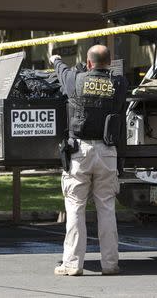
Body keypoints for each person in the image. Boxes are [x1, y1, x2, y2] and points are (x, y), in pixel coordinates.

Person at [49, 45, 127, 276]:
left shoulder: (76, 79)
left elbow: (62, 71)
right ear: (110, 62)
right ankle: (110, 264)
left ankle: (72, 264)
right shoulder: (119, 83)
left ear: (89, 63)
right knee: (106, 209)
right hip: (107, 153)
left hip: (79, 153)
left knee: (74, 208)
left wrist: (56, 59)